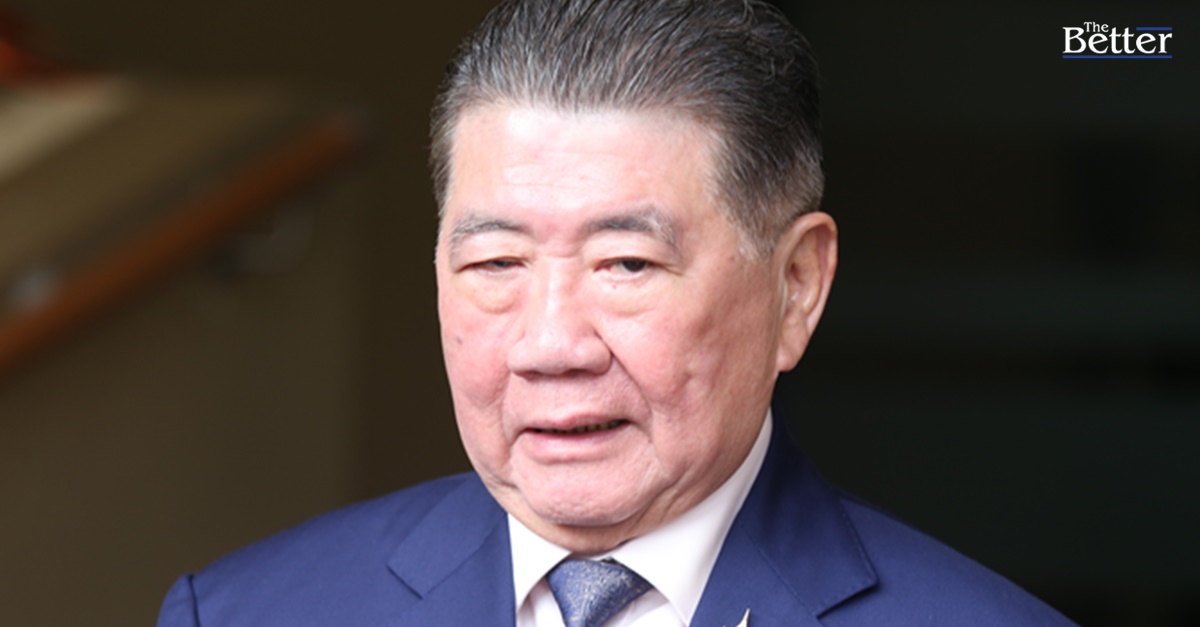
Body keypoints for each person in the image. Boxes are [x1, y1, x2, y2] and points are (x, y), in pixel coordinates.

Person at [157, 1, 1076, 625]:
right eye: (496, 262)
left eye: (626, 263)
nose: (551, 345)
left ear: (796, 285)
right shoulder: (244, 613)